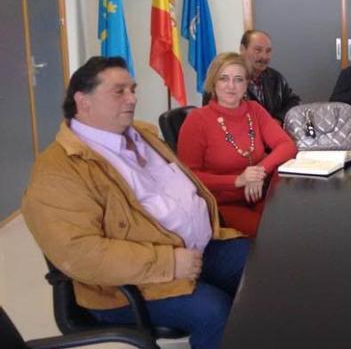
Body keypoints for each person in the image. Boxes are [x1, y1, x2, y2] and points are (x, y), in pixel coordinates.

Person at [22, 56, 248, 349]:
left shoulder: (143, 133)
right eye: (119, 91)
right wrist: (168, 263)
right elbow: (80, 253)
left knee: (259, 265)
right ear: (83, 101)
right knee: (214, 311)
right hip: (130, 282)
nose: (133, 98)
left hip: (200, 247)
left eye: (133, 89)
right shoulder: (58, 169)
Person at [179, 52, 297, 237]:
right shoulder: (197, 120)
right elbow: (187, 176)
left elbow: (286, 145)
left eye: (239, 79)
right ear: (213, 82)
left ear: (246, 84)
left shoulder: (254, 110)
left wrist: (259, 171)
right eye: (224, 79)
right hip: (222, 203)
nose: (231, 86)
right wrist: (238, 180)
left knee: (294, 222)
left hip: (259, 192)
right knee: (271, 234)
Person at [204, 30, 301, 124]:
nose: (264, 56)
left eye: (268, 51)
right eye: (258, 50)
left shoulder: (276, 77)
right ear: (242, 49)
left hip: (272, 135)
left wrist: (278, 119)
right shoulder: (221, 80)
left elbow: (294, 101)